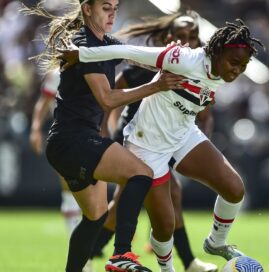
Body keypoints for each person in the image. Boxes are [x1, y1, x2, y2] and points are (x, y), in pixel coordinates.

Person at [60, 18, 264, 272]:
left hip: (183, 134)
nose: (237, 71)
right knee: (165, 227)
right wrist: (82, 54)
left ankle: (216, 242)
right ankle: (167, 269)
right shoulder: (182, 59)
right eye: (234, 63)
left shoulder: (222, 71)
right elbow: (128, 52)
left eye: (243, 67)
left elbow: (200, 94)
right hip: (147, 145)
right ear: (217, 51)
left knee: (234, 189)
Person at [23, 1, 185, 272]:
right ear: (87, 9)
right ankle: (122, 254)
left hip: (67, 143)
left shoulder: (105, 43)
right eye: (106, 7)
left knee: (95, 218)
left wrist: (170, 54)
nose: (113, 13)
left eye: (116, 7)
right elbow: (108, 99)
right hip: (74, 140)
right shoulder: (83, 43)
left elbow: (135, 55)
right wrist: (156, 86)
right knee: (141, 174)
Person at [90, 12, 217, 272]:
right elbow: (111, 96)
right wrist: (105, 129)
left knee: (172, 194)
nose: (187, 41)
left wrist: (201, 143)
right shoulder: (144, 67)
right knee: (124, 205)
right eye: (181, 36)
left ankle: (186, 261)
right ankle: (91, 253)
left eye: (192, 37)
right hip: (135, 138)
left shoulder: (198, 70)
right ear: (168, 38)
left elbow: (205, 115)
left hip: (167, 141)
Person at [29, 69, 94, 272]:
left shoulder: (97, 65)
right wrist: (35, 128)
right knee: (70, 190)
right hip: (65, 134)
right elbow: (44, 102)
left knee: (91, 196)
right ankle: (81, 255)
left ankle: (91, 249)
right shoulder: (57, 73)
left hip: (92, 132)